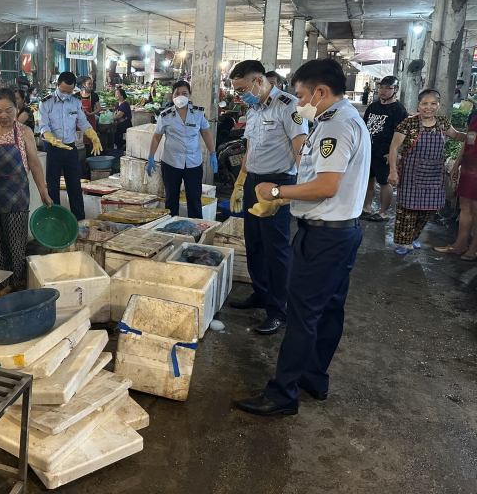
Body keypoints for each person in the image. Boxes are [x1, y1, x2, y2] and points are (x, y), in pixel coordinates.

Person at [234, 58, 370, 416]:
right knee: (328, 310)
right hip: (344, 232)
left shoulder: (334, 126)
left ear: (321, 92)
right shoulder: (346, 119)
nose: (300, 102)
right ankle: (313, 377)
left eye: (302, 95)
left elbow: (326, 185)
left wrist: (277, 193)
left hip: (324, 237)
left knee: (302, 315)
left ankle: (283, 393)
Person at [226, 60, 309, 335]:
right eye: (236, 90)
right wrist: (241, 181)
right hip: (253, 183)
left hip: (277, 184)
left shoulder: (288, 106)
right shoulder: (253, 108)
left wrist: (299, 188)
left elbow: (301, 150)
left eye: (241, 88)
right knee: (254, 244)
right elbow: (251, 145)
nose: (239, 95)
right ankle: (260, 294)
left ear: (258, 81)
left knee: (276, 250)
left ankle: (278, 310)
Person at [385, 89, 466, 255]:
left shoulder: (443, 122)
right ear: (418, 105)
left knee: (430, 208)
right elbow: (394, 147)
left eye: (433, 103)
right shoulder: (408, 123)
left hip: (434, 173)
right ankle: (405, 242)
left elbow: (457, 136)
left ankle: (414, 236)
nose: (429, 107)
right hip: (410, 172)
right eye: (425, 104)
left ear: (439, 105)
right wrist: (393, 171)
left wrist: (471, 135)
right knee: (407, 209)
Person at [0, 88, 53, 293]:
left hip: (17, 196)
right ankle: (1, 288)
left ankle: (18, 288)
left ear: (17, 109)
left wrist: (43, 191)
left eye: (8, 110)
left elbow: (34, 164)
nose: (3, 115)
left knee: (16, 247)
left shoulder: (23, 132)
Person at [147, 80, 217, 218]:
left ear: (190, 95)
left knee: (194, 198)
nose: (180, 96)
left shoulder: (198, 113)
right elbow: (156, 137)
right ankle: (170, 227)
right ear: (172, 96)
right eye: (177, 93)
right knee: (171, 198)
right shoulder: (165, 116)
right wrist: (151, 157)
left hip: (193, 162)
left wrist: (213, 153)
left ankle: (196, 230)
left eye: (184, 93)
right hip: (171, 162)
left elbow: (206, 133)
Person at [38, 71, 103, 220]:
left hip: (70, 148)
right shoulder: (45, 102)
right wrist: (51, 139)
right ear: (56, 85)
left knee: (75, 185)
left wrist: (93, 135)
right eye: (63, 90)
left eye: (69, 91)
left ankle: (79, 222)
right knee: (53, 187)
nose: (66, 94)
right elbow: (43, 126)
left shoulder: (75, 102)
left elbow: (83, 122)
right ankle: (55, 220)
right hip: (52, 149)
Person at [360, 75, 407, 222]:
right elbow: (364, 126)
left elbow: (401, 134)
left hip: (385, 153)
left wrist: (392, 154)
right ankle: (366, 208)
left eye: (388, 88)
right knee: (369, 180)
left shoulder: (398, 110)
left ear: (396, 89)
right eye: (381, 87)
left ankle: (383, 212)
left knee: (384, 182)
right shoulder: (373, 107)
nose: (383, 91)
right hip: (369, 151)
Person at [435, 112, 477, 259]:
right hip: (469, 168)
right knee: (465, 207)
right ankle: (459, 245)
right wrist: (456, 165)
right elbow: (467, 142)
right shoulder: (474, 115)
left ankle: (473, 249)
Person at [77, 76, 101, 142]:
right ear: (84, 84)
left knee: (90, 141)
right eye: (89, 84)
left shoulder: (94, 95)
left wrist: (90, 113)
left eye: (91, 84)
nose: (91, 85)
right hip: (79, 122)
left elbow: (98, 108)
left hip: (90, 121)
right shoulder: (77, 95)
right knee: (80, 142)